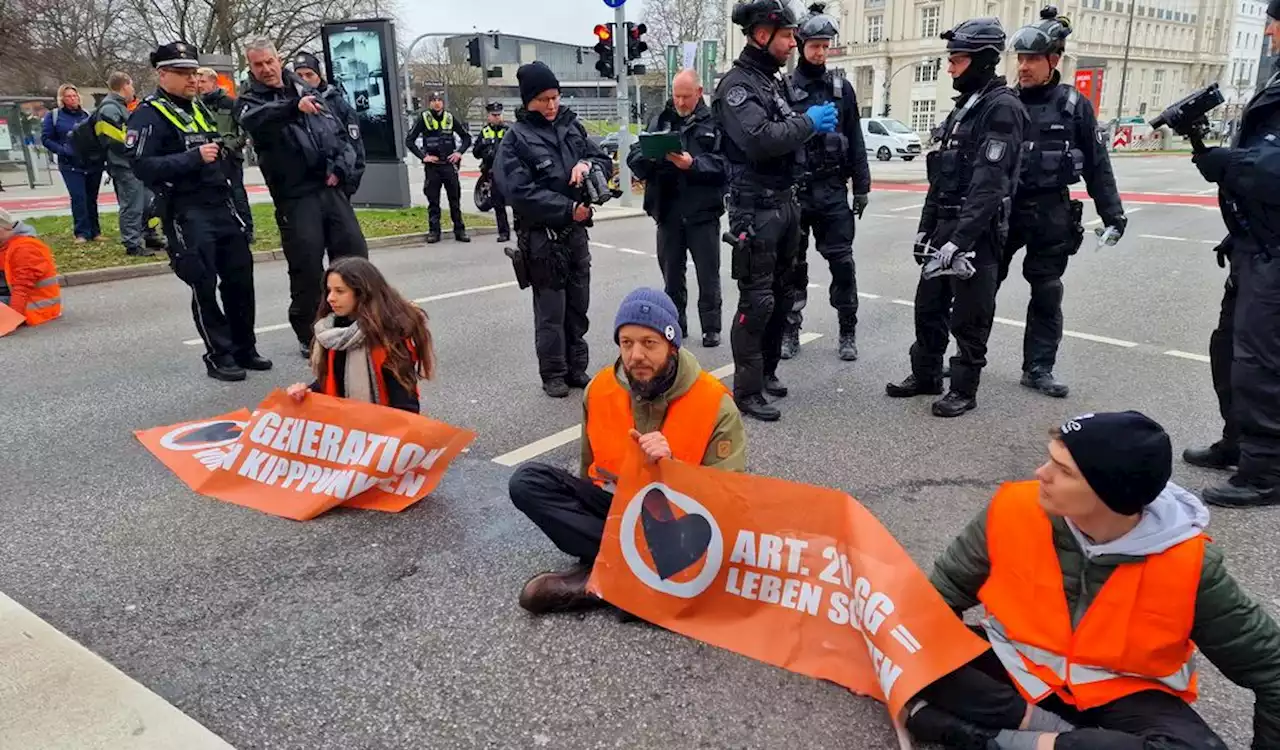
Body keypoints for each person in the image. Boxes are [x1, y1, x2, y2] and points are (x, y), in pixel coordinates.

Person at [905, 411, 1280, 750]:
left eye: (1064, 470)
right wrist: (932, 661)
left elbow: (1272, 670)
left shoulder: (1189, 563)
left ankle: (984, 736)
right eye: (1050, 459)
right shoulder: (1014, 508)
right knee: (907, 643)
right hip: (1012, 666)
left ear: (1110, 494)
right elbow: (938, 598)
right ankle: (1038, 732)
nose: (1041, 473)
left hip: (1121, 693)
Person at [510, 288, 747, 614]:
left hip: (678, 524)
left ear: (672, 346)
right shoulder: (600, 389)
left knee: (707, 542)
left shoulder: (714, 403)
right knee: (527, 482)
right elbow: (588, 470)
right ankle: (634, 575)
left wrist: (672, 466)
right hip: (618, 511)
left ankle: (609, 577)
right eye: (627, 343)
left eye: (649, 343)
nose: (636, 355)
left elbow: (727, 502)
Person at [886, 18, 1027, 418]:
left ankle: (963, 388)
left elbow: (989, 184)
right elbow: (940, 175)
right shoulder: (965, 108)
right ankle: (927, 374)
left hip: (977, 232)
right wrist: (926, 229)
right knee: (928, 305)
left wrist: (960, 240)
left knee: (969, 313)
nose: (950, 68)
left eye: (958, 60)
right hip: (948, 223)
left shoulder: (1001, 109)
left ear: (982, 61)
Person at [715, 0, 838, 423]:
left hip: (785, 202)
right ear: (761, 35)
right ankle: (746, 392)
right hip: (754, 206)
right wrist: (809, 123)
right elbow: (759, 138)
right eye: (787, 35)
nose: (793, 43)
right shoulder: (738, 86)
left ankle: (765, 374)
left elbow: (785, 132)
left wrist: (808, 123)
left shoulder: (772, 82)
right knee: (758, 299)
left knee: (785, 293)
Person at [1183, 0, 1280, 509]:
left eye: (1274, 23)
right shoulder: (1276, 82)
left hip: (1274, 254)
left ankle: (1266, 471)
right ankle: (1239, 443)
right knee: (1230, 349)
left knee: (1261, 361)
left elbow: (1274, 169)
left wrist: (1230, 164)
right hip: (1254, 247)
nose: (1269, 31)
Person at [128, 41, 271, 382]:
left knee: (240, 278)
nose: (192, 79)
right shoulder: (147, 113)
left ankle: (243, 346)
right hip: (184, 211)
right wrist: (193, 158)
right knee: (203, 282)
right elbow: (141, 166)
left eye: (194, 72)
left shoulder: (197, 108)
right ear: (162, 74)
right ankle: (219, 355)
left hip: (219, 204)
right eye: (183, 73)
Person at [1003, 7, 1126, 399]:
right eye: (1020, 59)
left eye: (1032, 59)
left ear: (1053, 60)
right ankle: (967, 361)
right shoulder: (1003, 102)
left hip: (1050, 210)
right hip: (1004, 208)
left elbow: (1096, 163)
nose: (1023, 67)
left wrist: (1113, 214)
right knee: (980, 286)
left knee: (1046, 290)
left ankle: (1038, 367)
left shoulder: (1074, 105)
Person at [236, 37, 368, 359]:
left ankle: (358, 322)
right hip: (295, 197)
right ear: (251, 66)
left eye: (270, 61)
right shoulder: (250, 100)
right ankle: (309, 333)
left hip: (330, 188)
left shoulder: (303, 88)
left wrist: (341, 170)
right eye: (258, 64)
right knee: (307, 268)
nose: (266, 69)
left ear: (278, 59)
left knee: (354, 255)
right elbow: (256, 120)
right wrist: (292, 107)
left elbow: (337, 134)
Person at [494, 62, 613, 398]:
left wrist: (586, 164)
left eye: (555, 97)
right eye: (544, 99)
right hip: (542, 238)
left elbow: (602, 158)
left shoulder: (571, 126)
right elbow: (517, 192)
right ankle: (554, 373)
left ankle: (577, 367)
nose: (551, 105)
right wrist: (566, 209)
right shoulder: (516, 138)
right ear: (529, 100)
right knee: (551, 311)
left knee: (579, 303)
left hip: (576, 233)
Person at [781, 2, 870, 362]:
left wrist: (861, 186)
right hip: (798, 190)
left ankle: (847, 329)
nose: (821, 51)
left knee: (843, 263)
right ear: (801, 44)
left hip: (833, 190)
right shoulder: (784, 88)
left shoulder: (842, 89)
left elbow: (856, 139)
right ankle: (790, 329)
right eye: (814, 45)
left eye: (825, 45)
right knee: (792, 266)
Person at [626, 69, 728, 349]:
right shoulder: (660, 119)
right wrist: (652, 157)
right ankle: (676, 325)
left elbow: (726, 166)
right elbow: (634, 157)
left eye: (686, 96)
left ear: (699, 92)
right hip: (668, 211)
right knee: (672, 275)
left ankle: (711, 327)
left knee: (708, 275)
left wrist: (693, 164)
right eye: (676, 96)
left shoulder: (716, 122)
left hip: (702, 212)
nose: (681, 102)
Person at [286, 257, 436, 413]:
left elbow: (405, 404)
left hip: (377, 430)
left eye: (340, 291)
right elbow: (333, 379)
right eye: (329, 290)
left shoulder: (389, 340)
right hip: (346, 428)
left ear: (363, 294)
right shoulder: (332, 334)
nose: (330, 298)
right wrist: (307, 391)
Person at [96, 72, 163, 258]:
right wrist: (140, 145)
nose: (133, 90)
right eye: (131, 85)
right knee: (132, 205)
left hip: (134, 164)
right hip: (123, 165)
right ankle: (132, 243)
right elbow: (114, 139)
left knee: (149, 202)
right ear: (125, 85)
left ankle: (150, 234)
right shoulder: (109, 109)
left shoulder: (120, 107)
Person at [290, 52, 366, 198]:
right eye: (299, 76)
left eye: (309, 75)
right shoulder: (290, 105)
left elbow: (355, 148)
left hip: (335, 185)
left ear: (319, 76)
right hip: (302, 189)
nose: (304, 80)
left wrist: (346, 184)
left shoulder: (339, 105)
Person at [405, 92, 472, 243]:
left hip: (449, 166)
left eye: (439, 100)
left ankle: (460, 230)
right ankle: (434, 232)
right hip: (433, 167)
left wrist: (459, 153)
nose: (437, 103)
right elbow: (409, 140)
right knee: (433, 201)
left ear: (443, 103)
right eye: (433, 100)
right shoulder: (424, 118)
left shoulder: (449, 117)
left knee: (455, 200)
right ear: (429, 103)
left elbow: (466, 137)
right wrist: (423, 157)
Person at [41, 84, 103, 244]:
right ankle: (81, 232)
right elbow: (46, 138)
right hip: (70, 163)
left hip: (90, 162)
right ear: (62, 99)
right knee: (78, 197)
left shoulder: (87, 115)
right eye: (68, 96)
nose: (72, 99)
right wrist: (62, 150)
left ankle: (95, 231)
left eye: (74, 96)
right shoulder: (54, 116)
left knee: (91, 198)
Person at [197, 67, 254, 242]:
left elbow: (246, 130)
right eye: (197, 81)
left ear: (213, 82)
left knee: (237, 193)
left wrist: (232, 146)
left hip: (230, 156)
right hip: (207, 157)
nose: (199, 85)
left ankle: (247, 228)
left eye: (203, 81)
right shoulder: (197, 106)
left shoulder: (230, 103)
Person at [0, 208, 61, 328]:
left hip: (32, 308)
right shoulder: (5, 243)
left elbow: (22, 288)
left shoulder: (25, 248)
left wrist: (12, 320)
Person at [472, 101, 511, 243]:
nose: (497, 117)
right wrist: (483, 146)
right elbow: (476, 153)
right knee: (498, 204)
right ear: (488, 116)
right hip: (492, 172)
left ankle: (520, 230)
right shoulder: (484, 132)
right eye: (494, 115)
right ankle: (504, 233)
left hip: (508, 172)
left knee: (517, 203)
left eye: (499, 115)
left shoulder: (508, 131)